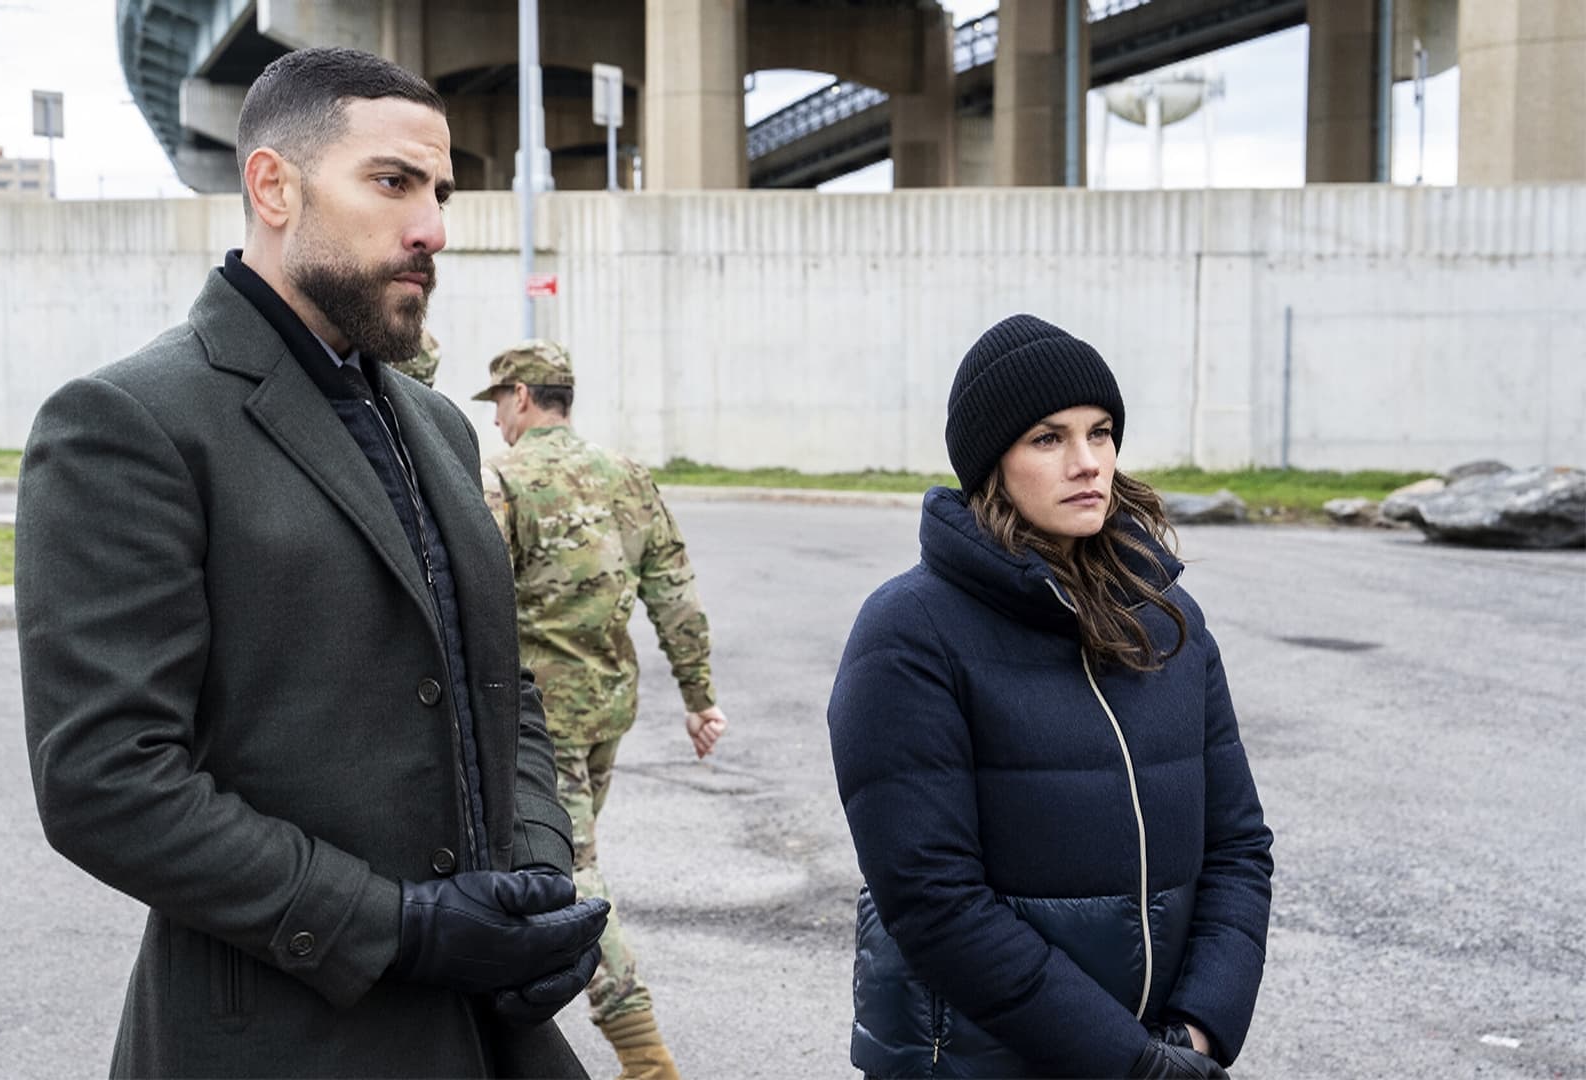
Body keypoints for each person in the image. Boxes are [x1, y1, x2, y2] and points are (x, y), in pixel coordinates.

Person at [15, 47, 609, 1079]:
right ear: (273, 187)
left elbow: (499, 689)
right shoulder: (130, 422)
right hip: (282, 1039)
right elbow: (105, 781)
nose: (432, 228)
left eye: (439, 193)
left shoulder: (437, 426)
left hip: (484, 1030)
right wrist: (397, 929)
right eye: (392, 182)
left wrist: (537, 878)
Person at [827, 314, 1274, 1079]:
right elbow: (934, 901)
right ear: (991, 463)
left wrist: (1198, 1029)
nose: (1087, 462)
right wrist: (1127, 1062)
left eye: (1101, 433)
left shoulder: (1168, 620)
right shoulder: (909, 631)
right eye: (1048, 438)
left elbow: (1237, 846)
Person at [475, 341, 728, 1080]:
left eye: (498, 403)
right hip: (607, 713)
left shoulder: (503, 480)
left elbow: (477, 603)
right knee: (560, 865)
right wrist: (700, 699)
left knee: (572, 879)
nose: (496, 420)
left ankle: (645, 1056)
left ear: (522, 397)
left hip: (536, 724)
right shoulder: (628, 476)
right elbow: (675, 596)